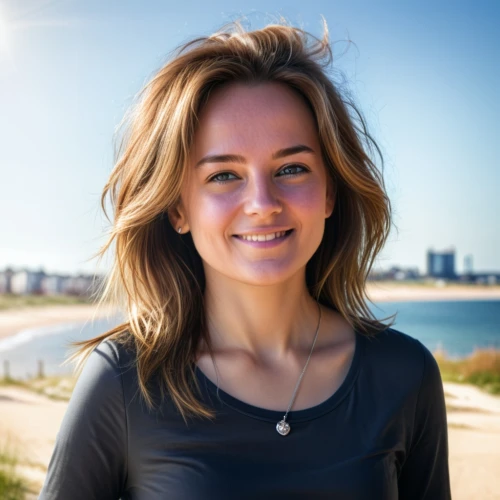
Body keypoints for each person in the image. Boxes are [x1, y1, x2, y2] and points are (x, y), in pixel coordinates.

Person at [39, 21, 451, 499]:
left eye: (292, 168)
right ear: (178, 207)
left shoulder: (405, 375)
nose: (262, 201)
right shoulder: (126, 383)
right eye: (224, 175)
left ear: (330, 192)